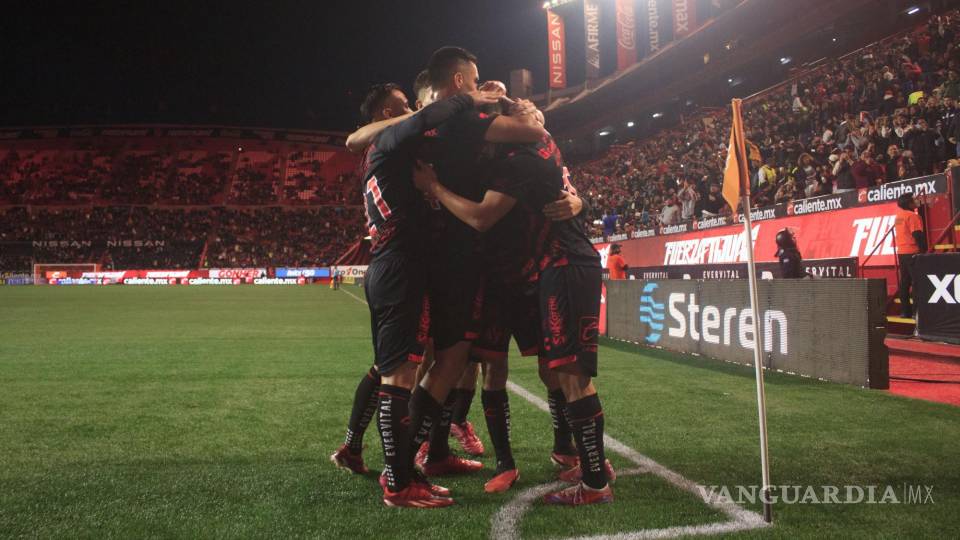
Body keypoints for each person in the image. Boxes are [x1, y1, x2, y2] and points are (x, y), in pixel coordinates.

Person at [415, 114, 615, 506]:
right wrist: (580, 201)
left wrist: (433, 186)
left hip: (555, 267)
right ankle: (583, 465)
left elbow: (481, 216)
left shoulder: (520, 159)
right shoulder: (529, 151)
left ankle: (593, 479)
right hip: (526, 274)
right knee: (533, 369)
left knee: (568, 375)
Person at [335, 80, 497, 508]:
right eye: (397, 108)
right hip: (401, 265)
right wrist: (469, 99)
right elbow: (425, 119)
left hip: (395, 265)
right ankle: (400, 482)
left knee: (390, 368)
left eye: (408, 104)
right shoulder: (389, 142)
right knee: (399, 377)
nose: (407, 111)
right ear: (379, 120)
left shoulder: (385, 147)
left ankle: (365, 453)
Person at [894, 193, 927, 318]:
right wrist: (924, 252)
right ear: (909, 203)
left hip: (902, 253)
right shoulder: (913, 216)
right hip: (913, 252)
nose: (915, 201)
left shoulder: (898, 217)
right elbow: (917, 235)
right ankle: (916, 312)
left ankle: (905, 311)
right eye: (913, 200)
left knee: (905, 283)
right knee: (917, 283)